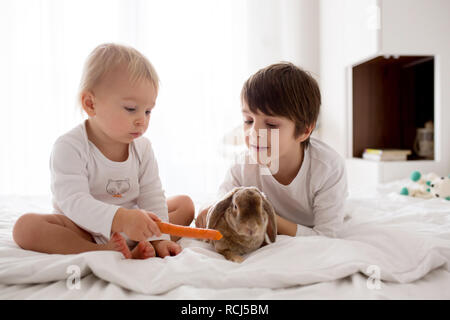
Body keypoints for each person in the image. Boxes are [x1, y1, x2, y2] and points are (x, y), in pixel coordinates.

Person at [13, 43, 195, 259]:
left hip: (133, 226)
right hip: (82, 228)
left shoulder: (143, 148)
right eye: (131, 109)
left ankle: (145, 242)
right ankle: (101, 251)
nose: (142, 120)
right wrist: (121, 218)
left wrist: (160, 239)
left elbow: (151, 195)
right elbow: (74, 202)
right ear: (91, 104)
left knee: (184, 205)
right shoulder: (69, 146)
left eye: (148, 111)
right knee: (25, 228)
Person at [196, 62, 348, 238]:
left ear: (305, 131)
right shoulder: (242, 166)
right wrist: (210, 209)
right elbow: (217, 202)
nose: (254, 133)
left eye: (271, 124)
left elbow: (326, 237)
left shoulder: (328, 168)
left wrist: (269, 218)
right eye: (248, 120)